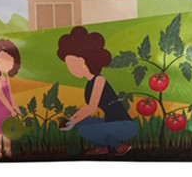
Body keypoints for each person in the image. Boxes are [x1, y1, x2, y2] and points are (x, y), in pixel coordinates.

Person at [57, 26, 137, 156]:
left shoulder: (99, 80)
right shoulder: (90, 82)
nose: (70, 70)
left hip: (123, 124)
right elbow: (87, 108)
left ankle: (120, 147)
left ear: (82, 61)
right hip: (110, 122)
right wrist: (71, 120)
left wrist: (71, 122)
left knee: (83, 128)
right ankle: (103, 147)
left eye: (71, 65)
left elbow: (91, 107)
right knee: (81, 123)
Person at [0, 39, 23, 157]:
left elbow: (10, 95)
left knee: (7, 132)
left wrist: (16, 108)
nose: (7, 64)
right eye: (1, 60)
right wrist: (11, 109)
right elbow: (1, 96)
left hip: (7, 109)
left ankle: (7, 151)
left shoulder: (6, 78)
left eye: (10, 61)